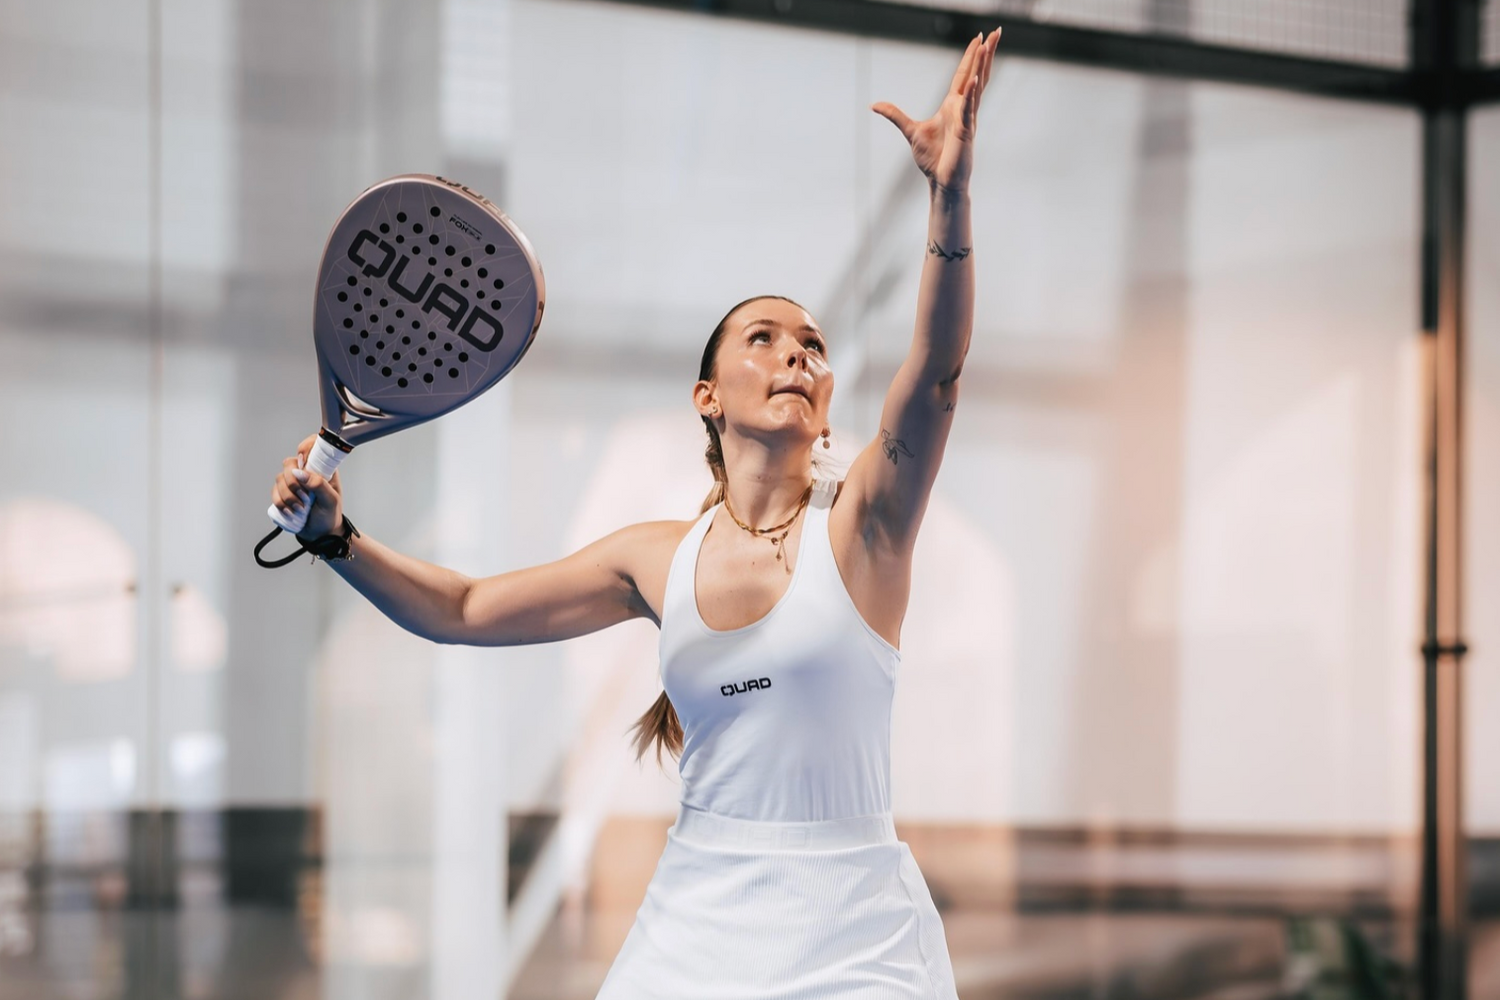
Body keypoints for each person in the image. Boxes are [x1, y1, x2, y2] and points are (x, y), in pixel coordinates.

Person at [269, 26, 1000, 999]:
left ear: (827, 397)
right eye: (765, 337)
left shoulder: (868, 524)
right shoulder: (655, 559)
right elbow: (462, 608)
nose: (796, 356)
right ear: (708, 396)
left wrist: (949, 195)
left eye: (813, 346)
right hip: (693, 931)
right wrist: (336, 539)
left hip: (858, 945)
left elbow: (937, 374)